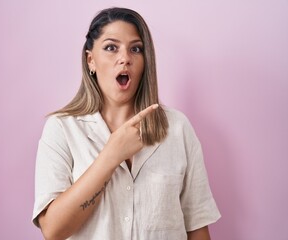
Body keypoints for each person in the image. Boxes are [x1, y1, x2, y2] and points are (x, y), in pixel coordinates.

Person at [32, 7, 221, 240]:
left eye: (136, 49)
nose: (125, 58)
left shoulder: (178, 128)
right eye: (111, 48)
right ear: (91, 60)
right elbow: (53, 229)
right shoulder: (61, 129)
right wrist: (111, 155)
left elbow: (197, 227)